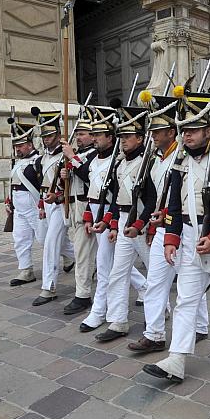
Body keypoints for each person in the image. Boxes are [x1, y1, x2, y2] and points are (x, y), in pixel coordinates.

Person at [143, 88, 210, 382]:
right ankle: (176, 359)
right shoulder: (179, 164)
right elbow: (173, 204)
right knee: (185, 299)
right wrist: (171, 237)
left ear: (208, 131)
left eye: (194, 130)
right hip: (187, 236)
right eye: (184, 131)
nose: (188, 136)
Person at [127, 93, 210, 353]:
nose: (153, 135)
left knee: (191, 282)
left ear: (170, 132)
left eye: (159, 130)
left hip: (191, 225)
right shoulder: (154, 160)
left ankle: (200, 326)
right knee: (155, 282)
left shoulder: (182, 158)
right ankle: (154, 334)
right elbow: (153, 199)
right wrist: (143, 224)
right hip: (165, 228)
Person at [76, 105, 146, 333]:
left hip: (119, 216)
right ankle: (113, 314)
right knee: (112, 267)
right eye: (93, 135)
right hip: (104, 215)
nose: (94, 139)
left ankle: (100, 311)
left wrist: (109, 221)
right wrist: (89, 216)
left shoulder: (117, 162)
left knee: (108, 266)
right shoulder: (94, 161)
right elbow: (93, 192)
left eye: (98, 135)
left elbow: (114, 198)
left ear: (109, 136)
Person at [94, 105, 156, 342]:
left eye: (128, 137)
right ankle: (118, 320)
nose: (123, 141)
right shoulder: (120, 164)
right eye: (121, 137)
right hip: (123, 222)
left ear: (140, 138)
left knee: (157, 274)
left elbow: (151, 199)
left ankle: (160, 315)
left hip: (140, 223)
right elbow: (117, 198)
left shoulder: (146, 163)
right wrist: (108, 222)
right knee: (118, 272)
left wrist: (140, 224)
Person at [32, 110, 76, 306]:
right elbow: (42, 183)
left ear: (59, 135)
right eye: (44, 136)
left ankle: (49, 287)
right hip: (48, 204)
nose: (47, 140)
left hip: (62, 205)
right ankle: (87, 262)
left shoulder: (66, 156)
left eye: (50, 136)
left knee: (51, 243)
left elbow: (72, 184)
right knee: (60, 244)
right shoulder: (43, 158)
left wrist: (57, 196)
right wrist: (42, 204)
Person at [59, 107, 99, 315]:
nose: (78, 137)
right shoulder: (81, 154)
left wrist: (72, 158)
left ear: (93, 136)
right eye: (78, 134)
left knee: (83, 255)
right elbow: (72, 178)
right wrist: (65, 175)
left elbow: (89, 176)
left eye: (82, 134)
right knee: (93, 256)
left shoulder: (95, 155)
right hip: (75, 208)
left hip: (88, 209)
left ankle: (82, 295)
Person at [6, 121, 44, 287]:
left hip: (34, 205)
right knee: (20, 239)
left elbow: (43, 184)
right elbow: (12, 183)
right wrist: (9, 201)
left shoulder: (39, 161)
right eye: (16, 146)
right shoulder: (17, 162)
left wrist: (42, 205)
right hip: (19, 207)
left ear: (30, 144)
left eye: (21, 146)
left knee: (45, 240)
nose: (18, 149)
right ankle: (26, 270)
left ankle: (71, 257)